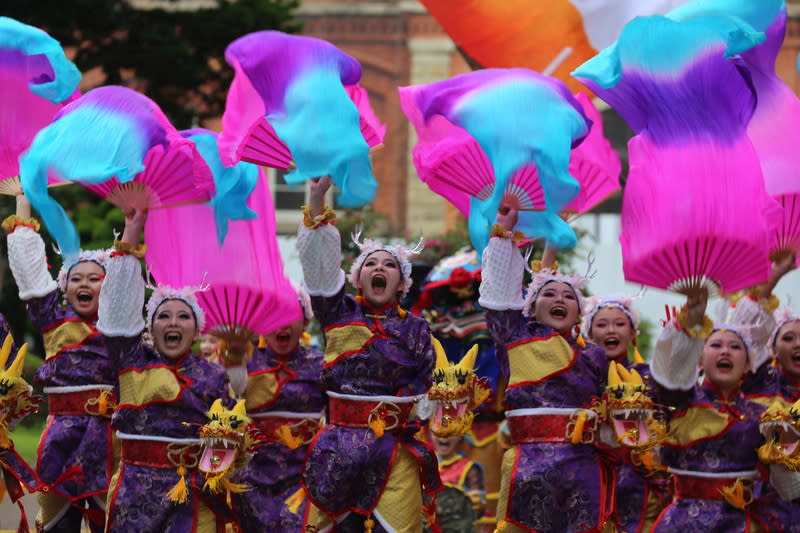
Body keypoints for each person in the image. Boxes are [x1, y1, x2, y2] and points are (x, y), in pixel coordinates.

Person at [295, 176, 441, 532]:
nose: (380, 269)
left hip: (395, 452)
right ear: (357, 279)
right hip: (337, 448)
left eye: (389, 266)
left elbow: (426, 386)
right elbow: (320, 273)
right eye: (371, 264)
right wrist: (316, 200)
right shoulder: (338, 311)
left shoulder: (417, 329)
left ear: (402, 284)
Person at [97, 208, 236, 532]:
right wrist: (132, 232)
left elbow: (227, 440)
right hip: (135, 495)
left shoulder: (215, 376)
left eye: (183, 316)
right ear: (149, 327)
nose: (173, 322)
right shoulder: (132, 360)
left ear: (197, 329)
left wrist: (212, 476)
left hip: (195, 497)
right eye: (164, 316)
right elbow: (117, 315)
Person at [479, 207, 611, 533]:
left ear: (578, 313)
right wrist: (504, 238)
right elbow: (498, 298)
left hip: (583, 469)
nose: (559, 299)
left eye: (568, 296)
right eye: (549, 294)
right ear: (531, 308)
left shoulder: (594, 356)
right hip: (527, 468)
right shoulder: (515, 337)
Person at [5, 195, 114, 532]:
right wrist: (23, 202)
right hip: (61, 438)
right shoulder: (53, 317)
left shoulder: (122, 328)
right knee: (57, 525)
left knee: (110, 523)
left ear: (110, 287)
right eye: (76, 278)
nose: (84, 283)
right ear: (64, 288)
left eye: (94, 278)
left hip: (111, 442)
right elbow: (31, 272)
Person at [650, 290, 780, 532]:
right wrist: (693, 320)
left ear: (748, 365)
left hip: (742, 523)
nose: (725, 351)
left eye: (735, 347)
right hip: (684, 522)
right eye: (715, 345)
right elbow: (671, 375)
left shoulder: (763, 416)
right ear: (698, 361)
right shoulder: (682, 402)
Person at [231, 286, 325, 531]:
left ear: (304, 323)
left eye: (291, 316)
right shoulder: (243, 362)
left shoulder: (321, 365)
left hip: (305, 479)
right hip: (251, 480)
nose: (283, 324)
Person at [585, 294, 671, 532]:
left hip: (643, 486)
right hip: (591, 482)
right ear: (590, 334)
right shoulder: (580, 380)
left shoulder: (650, 378)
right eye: (602, 324)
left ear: (633, 333)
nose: (611, 330)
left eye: (620, 323)